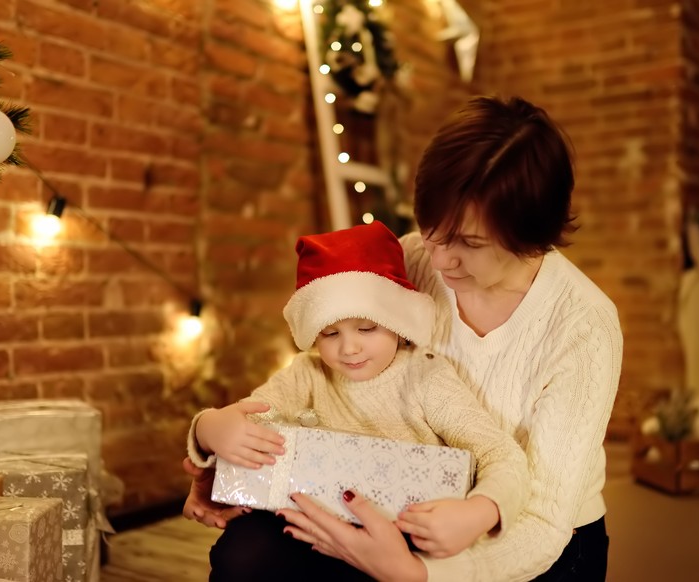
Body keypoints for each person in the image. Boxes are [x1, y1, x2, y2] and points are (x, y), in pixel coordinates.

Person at [185, 94, 623, 581]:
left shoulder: (584, 324)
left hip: (530, 536)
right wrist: (228, 465)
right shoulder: (409, 259)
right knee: (243, 557)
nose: (437, 260)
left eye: (468, 244)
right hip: (394, 502)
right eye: (431, 230)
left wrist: (419, 574)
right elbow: (310, 387)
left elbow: (543, 520)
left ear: (529, 236)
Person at [185, 220, 530, 581]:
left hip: (391, 539)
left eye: (367, 328)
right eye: (330, 333)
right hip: (306, 524)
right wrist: (208, 428)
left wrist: (480, 510)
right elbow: (251, 420)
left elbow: (501, 455)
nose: (349, 348)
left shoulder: (426, 377)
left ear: (396, 322)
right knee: (237, 554)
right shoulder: (307, 372)